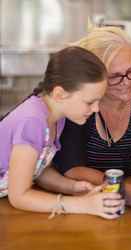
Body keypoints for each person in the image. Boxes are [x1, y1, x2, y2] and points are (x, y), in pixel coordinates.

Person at [52, 27, 131, 218]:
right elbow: (71, 168)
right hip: (93, 209)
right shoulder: (80, 106)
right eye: (115, 77)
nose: (127, 82)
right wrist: (129, 193)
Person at [0, 46, 124, 219]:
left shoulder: (57, 118)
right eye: (90, 102)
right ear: (59, 94)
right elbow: (19, 197)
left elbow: (38, 170)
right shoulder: (32, 122)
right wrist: (82, 205)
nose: (96, 109)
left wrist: (73, 187)